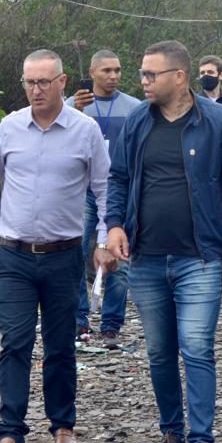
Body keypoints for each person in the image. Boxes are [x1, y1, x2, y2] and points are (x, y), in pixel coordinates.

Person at [105, 40, 222, 443]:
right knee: (159, 352)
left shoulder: (217, 121)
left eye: (152, 74)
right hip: (147, 258)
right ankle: (171, 433)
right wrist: (114, 224)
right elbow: (118, 178)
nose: (143, 81)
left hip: (200, 257)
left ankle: (201, 442)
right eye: (143, 74)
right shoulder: (138, 121)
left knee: (196, 348)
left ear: (180, 77)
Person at [0, 49, 115, 443]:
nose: (36, 89)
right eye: (29, 82)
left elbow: (104, 189)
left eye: (44, 82)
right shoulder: (10, 128)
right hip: (15, 258)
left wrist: (102, 240)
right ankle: (10, 435)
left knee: (61, 345)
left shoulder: (85, 131)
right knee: (15, 344)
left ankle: (63, 426)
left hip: (64, 257)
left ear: (62, 82)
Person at [64, 49, 141, 350]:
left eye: (118, 70)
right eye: (107, 70)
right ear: (92, 73)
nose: (113, 76)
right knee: (76, 255)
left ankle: (111, 325)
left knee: (119, 258)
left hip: (120, 191)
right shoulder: (71, 106)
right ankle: (80, 319)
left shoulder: (134, 108)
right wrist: (76, 111)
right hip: (82, 191)